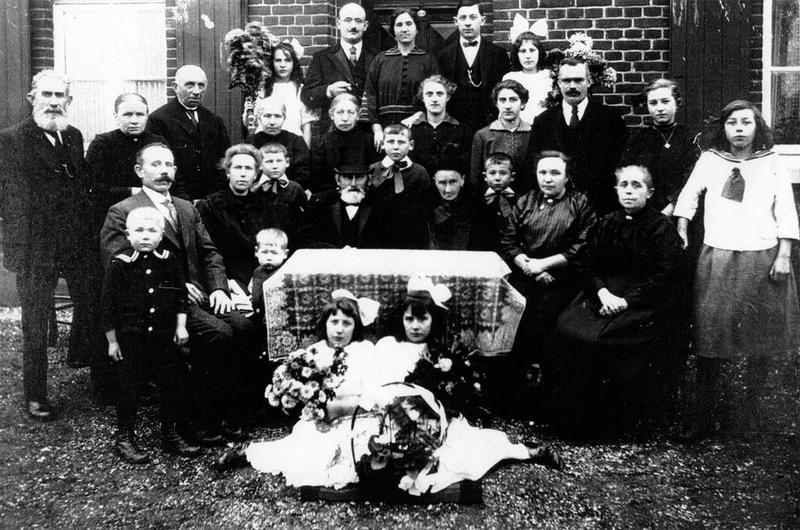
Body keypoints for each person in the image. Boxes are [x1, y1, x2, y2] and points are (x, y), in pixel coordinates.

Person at [100, 142, 254, 445]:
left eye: (169, 165)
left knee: (243, 326)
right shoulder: (122, 211)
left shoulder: (186, 207)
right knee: (217, 334)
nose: (164, 171)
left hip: (202, 293)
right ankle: (197, 419)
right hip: (160, 302)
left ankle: (224, 413)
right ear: (139, 171)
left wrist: (219, 289)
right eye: (155, 165)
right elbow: (122, 268)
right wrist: (178, 286)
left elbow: (209, 252)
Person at [674, 100, 800, 440]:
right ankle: (704, 414)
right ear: (724, 128)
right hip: (719, 256)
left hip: (762, 257)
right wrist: (682, 225)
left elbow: (786, 210)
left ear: (758, 127)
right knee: (710, 334)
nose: (740, 128)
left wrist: (784, 254)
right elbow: (688, 195)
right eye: (733, 122)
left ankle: (749, 411)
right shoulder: (710, 160)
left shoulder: (772, 162)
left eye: (746, 122)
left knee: (761, 337)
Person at [545, 165, 685, 437]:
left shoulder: (661, 228)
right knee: (565, 328)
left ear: (650, 192)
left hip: (644, 302)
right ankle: (564, 418)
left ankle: (604, 424)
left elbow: (666, 275)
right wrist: (602, 292)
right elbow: (589, 263)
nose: (629, 192)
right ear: (617, 191)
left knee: (602, 341)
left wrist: (627, 301)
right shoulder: (607, 222)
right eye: (624, 185)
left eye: (636, 186)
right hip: (604, 294)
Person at [0, 70, 99, 419]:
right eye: (47, 95)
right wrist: (16, 250)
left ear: (69, 100)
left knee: (93, 306)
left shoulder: (72, 135)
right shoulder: (11, 140)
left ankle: (102, 382)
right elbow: (9, 201)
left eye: (60, 96)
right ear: (32, 99)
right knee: (35, 323)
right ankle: (36, 395)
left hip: (74, 244)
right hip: (35, 247)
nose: (54, 102)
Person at [216, 290, 379, 484]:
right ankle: (249, 451)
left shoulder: (365, 350)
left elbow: (373, 395)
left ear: (356, 326)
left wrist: (340, 408)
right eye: (334, 322)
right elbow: (306, 392)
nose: (339, 330)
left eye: (347, 323)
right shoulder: (315, 352)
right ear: (325, 323)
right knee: (305, 453)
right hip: (324, 420)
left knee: (361, 457)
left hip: (356, 417)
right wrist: (310, 404)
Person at [101, 207, 201, 462]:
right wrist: (112, 342)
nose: (145, 236)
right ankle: (125, 437)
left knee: (171, 383)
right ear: (127, 234)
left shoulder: (169, 260)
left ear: (162, 234)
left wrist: (181, 326)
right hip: (131, 338)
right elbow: (107, 306)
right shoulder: (120, 264)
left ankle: (170, 433)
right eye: (139, 230)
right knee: (129, 387)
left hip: (164, 336)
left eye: (151, 230)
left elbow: (180, 297)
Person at [499, 151, 596, 415]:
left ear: (567, 176)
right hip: (525, 276)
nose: (548, 178)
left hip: (562, 280)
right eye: (543, 172)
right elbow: (509, 240)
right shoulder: (526, 201)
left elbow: (582, 245)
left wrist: (544, 265)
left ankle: (548, 402)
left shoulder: (580, 203)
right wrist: (529, 266)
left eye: (555, 173)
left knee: (551, 329)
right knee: (514, 322)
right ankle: (514, 399)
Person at [529, 57, 627, 215]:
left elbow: (621, 167)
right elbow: (532, 169)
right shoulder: (543, 122)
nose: (572, 86)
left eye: (578, 80)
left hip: (601, 209)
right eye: (566, 80)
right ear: (559, 83)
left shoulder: (611, 119)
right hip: (556, 212)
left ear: (589, 81)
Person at [146, 65, 230, 201]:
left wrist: (211, 198)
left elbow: (224, 161)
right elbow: (161, 165)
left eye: (201, 85)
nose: (196, 91)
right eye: (190, 85)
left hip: (212, 199)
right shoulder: (159, 120)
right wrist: (184, 200)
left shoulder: (214, 120)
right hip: (177, 198)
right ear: (175, 87)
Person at [86, 93, 167, 229]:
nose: (134, 120)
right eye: (127, 114)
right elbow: (92, 186)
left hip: (153, 215)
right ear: (116, 116)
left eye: (140, 114)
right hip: (113, 216)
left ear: (147, 116)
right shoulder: (102, 143)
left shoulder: (158, 142)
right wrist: (131, 192)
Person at [619, 79, 699, 217]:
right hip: (642, 214)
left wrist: (667, 212)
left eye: (665, 101)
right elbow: (626, 176)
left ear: (677, 103)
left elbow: (691, 181)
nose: (660, 108)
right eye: (653, 103)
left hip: (678, 213)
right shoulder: (638, 140)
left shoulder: (688, 139)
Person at [197, 144, 272, 289]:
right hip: (226, 280)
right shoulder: (211, 205)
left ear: (255, 174)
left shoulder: (264, 204)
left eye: (248, 168)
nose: (243, 174)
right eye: (238, 168)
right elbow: (207, 252)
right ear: (228, 172)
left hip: (260, 278)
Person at [364, 8, 439, 146]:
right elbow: (370, 95)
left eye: (409, 24)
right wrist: (377, 130)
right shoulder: (381, 59)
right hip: (385, 130)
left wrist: (417, 117)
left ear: (416, 29)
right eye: (399, 25)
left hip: (418, 126)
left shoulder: (428, 60)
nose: (404, 29)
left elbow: (436, 95)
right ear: (393, 30)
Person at [436, 0, 511, 132]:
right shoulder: (443, 56)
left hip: (488, 125)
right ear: (456, 21)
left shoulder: (498, 54)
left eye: (473, 17)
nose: (468, 23)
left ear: (482, 20)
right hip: (454, 126)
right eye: (463, 18)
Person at [301, 2, 375, 132]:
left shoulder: (377, 57)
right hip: (332, 133)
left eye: (358, 21)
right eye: (348, 20)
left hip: (368, 133)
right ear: (338, 24)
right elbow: (307, 96)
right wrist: (328, 91)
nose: (353, 26)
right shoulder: (321, 58)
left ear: (365, 26)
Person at [368, 123, 431, 249]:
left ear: (411, 145)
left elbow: (426, 203)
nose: (396, 147)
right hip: (379, 230)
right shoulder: (374, 169)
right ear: (383, 144)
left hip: (410, 230)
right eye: (390, 142)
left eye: (401, 142)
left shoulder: (419, 172)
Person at [245, 41, 316, 146]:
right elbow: (253, 122)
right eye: (278, 60)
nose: (283, 65)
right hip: (265, 145)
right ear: (272, 63)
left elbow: (306, 126)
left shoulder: (300, 90)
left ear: (294, 63)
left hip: (293, 146)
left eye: (287, 60)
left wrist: (306, 150)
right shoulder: (262, 90)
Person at [470, 79, 533, 191]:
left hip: (528, 196)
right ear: (496, 104)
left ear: (522, 103)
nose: (507, 106)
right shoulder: (483, 135)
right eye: (502, 100)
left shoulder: (532, 133)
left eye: (513, 100)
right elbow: (475, 177)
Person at [302, 163, 383, 249]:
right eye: (348, 177)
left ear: (369, 180)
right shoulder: (320, 203)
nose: (353, 184)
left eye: (359, 177)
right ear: (337, 179)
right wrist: (337, 252)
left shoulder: (382, 205)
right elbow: (304, 240)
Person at [407, 75, 473, 177]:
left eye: (439, 94)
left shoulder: (463, 130)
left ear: (448, 97)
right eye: (429, 94)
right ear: (422, 98)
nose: (434, 99)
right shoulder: (412, 129)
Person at [312, 93, 377, 193]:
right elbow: (318, 178)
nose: (345, 118)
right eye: (340, 112)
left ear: (358, 115)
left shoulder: (368, 141)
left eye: (351, 112)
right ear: (331, 115)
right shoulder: (323, 142)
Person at [247, 97, 311, 191]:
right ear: (259, 118)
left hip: (290, 192)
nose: (272, 122)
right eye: (267, 116)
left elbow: (304, 174)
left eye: (277, 116)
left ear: (284, 118)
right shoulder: (251, 142)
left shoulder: (296, 141)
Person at [254, 143, 308, 247]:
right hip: (261, 244)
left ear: (287, 162)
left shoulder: (296, 189)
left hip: (291, 243)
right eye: (269, 161)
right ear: (260, 164)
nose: (275, 166)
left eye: (279, 161)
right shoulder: (254, 189)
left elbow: (304, 221)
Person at [427, 165, 483, 251]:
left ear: (462, 180)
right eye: (442, 183)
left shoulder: (477, 205)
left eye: (453, 182)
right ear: (434, 181)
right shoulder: (424, 205)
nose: (448, 190)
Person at [503, 31, 552, 124]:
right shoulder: (510, 78)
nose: (528, 56)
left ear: (539, 52)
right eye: (523, 51)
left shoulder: (548, 76)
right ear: (517, 54)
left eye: (532, 50)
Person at [476, 153, 519, 252]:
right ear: (485, 176)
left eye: (503, 173)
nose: (497, 178)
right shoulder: (478, 200)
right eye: (492, 173)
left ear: (512, 176)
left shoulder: (520, 200)